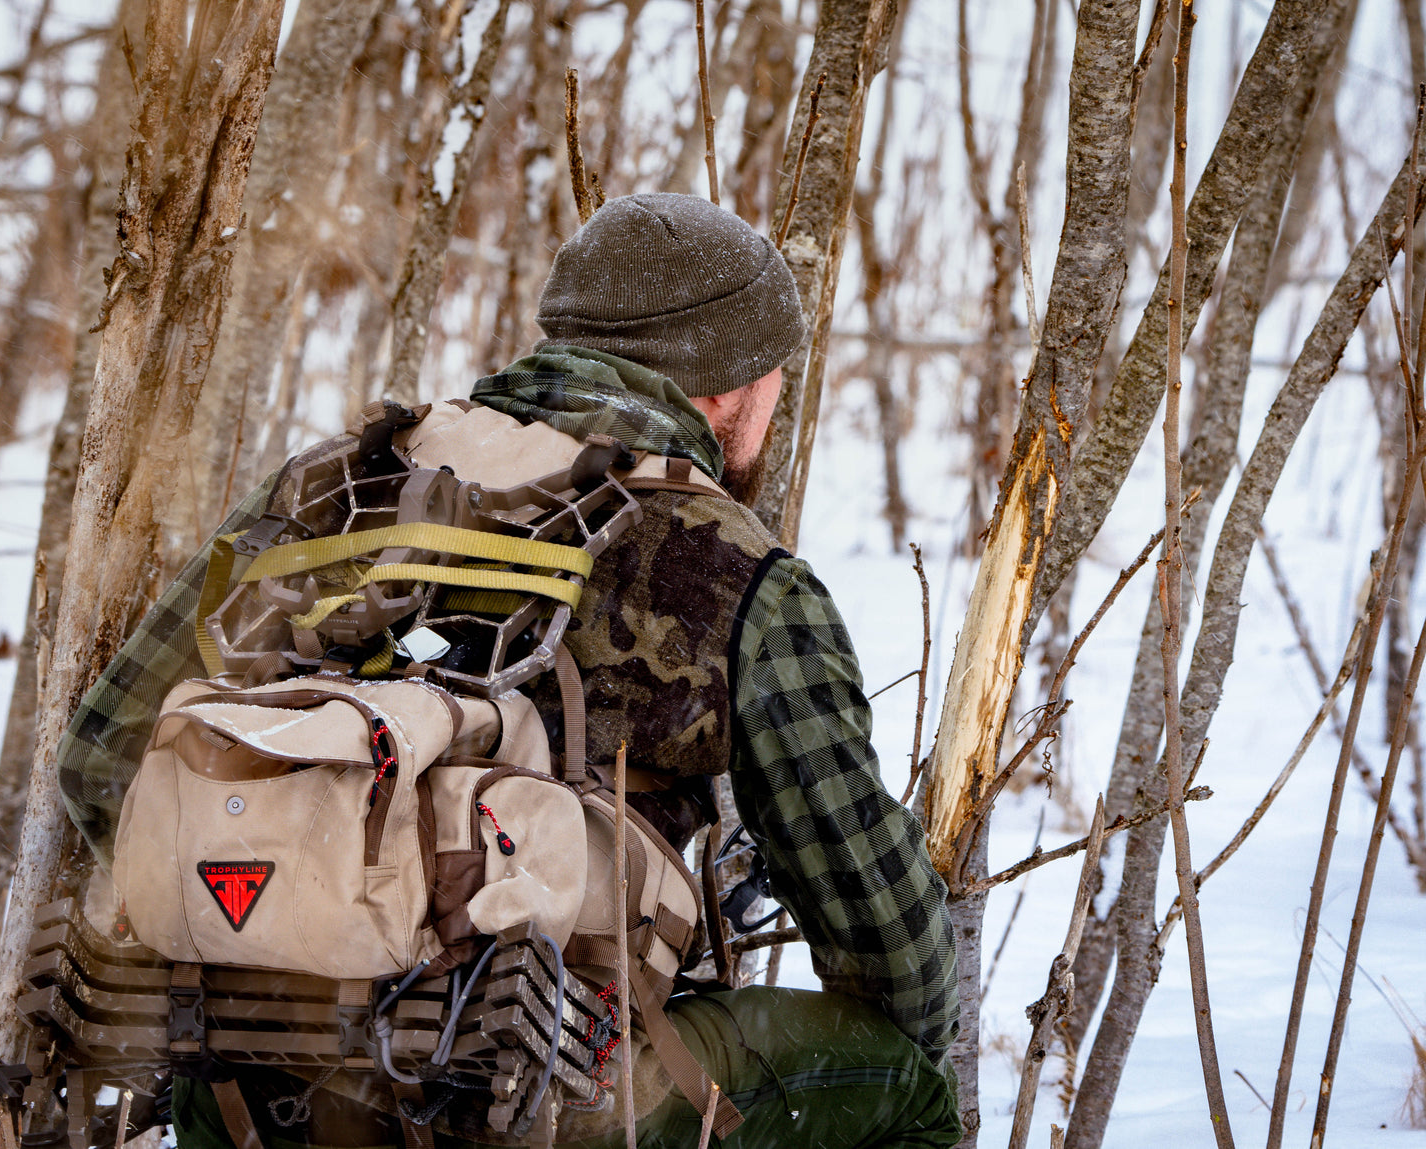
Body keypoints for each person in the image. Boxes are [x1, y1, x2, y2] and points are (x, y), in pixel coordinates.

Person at [58, 192, 961, 1148]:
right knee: (907, 1088)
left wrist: (298, 927)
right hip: (540, 1097)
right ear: (729, 384)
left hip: (250, 1086)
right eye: (775, 376)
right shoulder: (744, 575)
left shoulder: (336, 482)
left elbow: (103, 757)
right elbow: (880, 937)